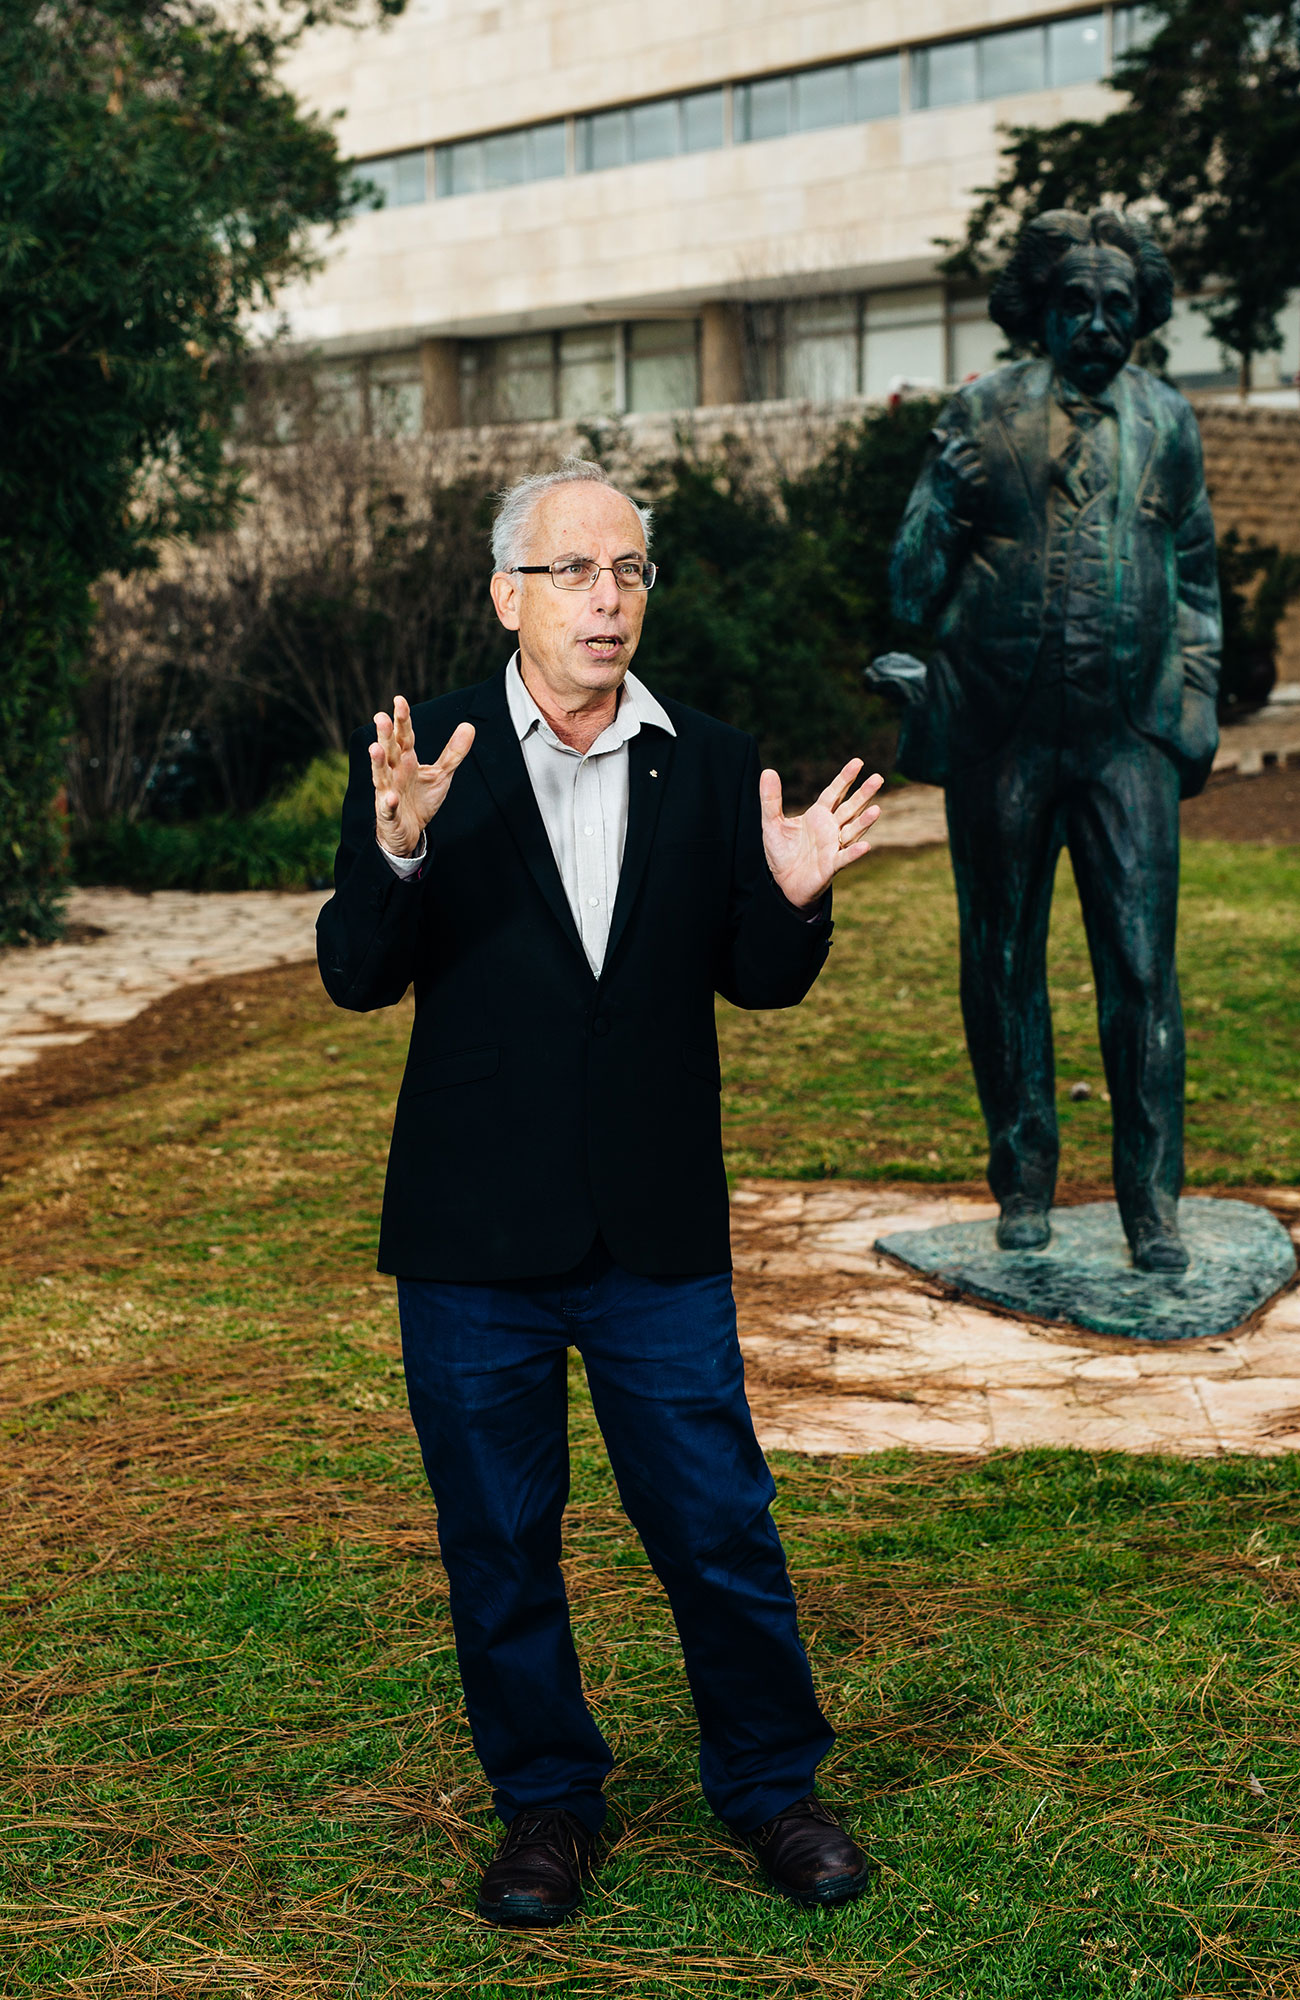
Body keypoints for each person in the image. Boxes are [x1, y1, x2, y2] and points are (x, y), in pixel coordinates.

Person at [317, 457, 883, 1927]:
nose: (607, 597)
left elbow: (756, 985)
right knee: (500, 1538)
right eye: (574, 571)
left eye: (628, 569)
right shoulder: (426, 752)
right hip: (471, 1233)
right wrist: (399, 843)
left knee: (717, 1522)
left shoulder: (708, 756)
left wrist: (795, 895)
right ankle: (549, 1806)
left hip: (656, 1232)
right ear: (508, 594)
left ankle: (771, 1789)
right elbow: (354, 974)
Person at [875, 209, 1221, 1275]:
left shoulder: (1168, 420)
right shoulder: (981, 413)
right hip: (1000, 728)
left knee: (1139, 967)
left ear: (1143, 318)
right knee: (1003, 956)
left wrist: (1194, 710)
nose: (1099, 323)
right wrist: (945, 499)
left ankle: (1150, 1200)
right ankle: (1021, 1178)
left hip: (1131, 735)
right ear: (1039, 309)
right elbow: (907, 581)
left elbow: (1196, 577)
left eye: (1120, 306)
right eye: (1077, 301)